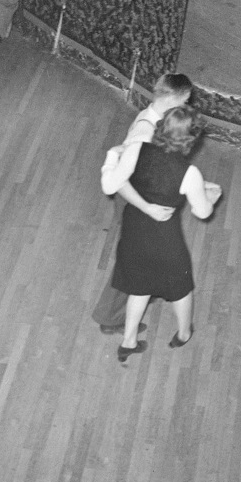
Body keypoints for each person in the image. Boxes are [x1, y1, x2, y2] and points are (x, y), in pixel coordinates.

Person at [99, 105, 222, 361]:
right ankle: (184, 333)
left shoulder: (136, 149)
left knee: (139, 286)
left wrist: (113, 156)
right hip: (164, 238)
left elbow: (117, 183)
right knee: (181, 287)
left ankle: (129, 341)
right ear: (191, 139)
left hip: (134, 227)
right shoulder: (190, 173)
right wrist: (212, 196)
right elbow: (202, 212)